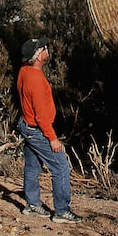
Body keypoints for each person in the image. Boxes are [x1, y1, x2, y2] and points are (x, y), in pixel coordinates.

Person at [16, 37, 82, 223]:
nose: (47, 49)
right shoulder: (35, 80)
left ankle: (33, 204)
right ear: (38, 56)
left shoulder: (25, 71)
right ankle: (61, 211)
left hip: (26, 125)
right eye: (43, 48)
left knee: (32, 166)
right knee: (60, 166)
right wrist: (52, 138)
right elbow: (41, 116)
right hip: (37, 129)